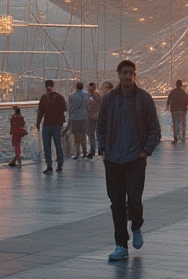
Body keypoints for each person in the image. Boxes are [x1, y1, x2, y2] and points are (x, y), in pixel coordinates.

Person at [96, 60, 160, 261]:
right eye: (124, 73)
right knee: (116, 203)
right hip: (113, 159)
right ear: (118, 75)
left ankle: (137, 225)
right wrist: (103, 150)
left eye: (131, 73)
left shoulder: (144, 99)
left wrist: (145, 152)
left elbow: (154, 129)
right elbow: (101, 126)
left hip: (135, 159)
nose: (127, 77)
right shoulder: (109, 99)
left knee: (134, 200)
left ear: (135, 75)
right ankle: (121, 245)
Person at [35, 80, 67, 173]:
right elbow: (64, 109)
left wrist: (38, 123)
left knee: (47, 145)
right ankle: (59, 164)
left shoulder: (44, 98)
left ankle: (49, 165)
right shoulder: (60, 97)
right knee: (58, 144)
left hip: (48, 124)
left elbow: (40, 111)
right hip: (57, 124)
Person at [67, 81, 90, 160]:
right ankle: (85, 152)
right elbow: (88, 106)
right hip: (84, 117)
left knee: (76, 135)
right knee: (83, 134)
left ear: (76, 87)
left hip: (75, 118)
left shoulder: (72, 96)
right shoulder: (87, 95)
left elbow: (69, 108)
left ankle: (78, 153)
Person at [166, 79, 188, 144]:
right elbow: (187, 100)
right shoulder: (183, 92)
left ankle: (175, 136)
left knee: (175, 123)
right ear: (181, 85)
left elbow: (169, 99)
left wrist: (167, 106)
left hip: (174, 110)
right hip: (182, 110)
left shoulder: (172, 92)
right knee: (183, 123)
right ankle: (183, 136)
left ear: (176, 84)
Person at [86, 82, 101, 158]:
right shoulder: (88, 95)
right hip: (90, 117)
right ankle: (93, 150)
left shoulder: (96, 95)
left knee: (92, 134)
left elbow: (100, 104)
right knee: (90, 134)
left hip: (94, 117)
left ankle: (93, 151)